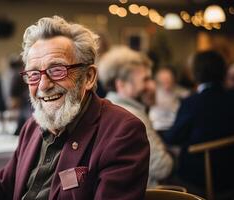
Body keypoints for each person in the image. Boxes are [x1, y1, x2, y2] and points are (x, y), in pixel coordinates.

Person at [0, 16, 150, 200]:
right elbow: (6, 184)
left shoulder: (122, 132)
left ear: (89, 77)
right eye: (34, 74)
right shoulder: (33, 126)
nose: (43, 85)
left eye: (57, 70)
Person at [98, 46, 173, 187]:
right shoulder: (133, 117)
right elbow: (163, 168)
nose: (151, 86)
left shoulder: (104, 108)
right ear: (121, 84)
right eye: (145, 80)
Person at [165, 50, 234, 195]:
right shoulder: (231, 97)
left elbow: (173, 137)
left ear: (195, 72)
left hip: (199, 176)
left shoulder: (192, 102)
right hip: (229, 172)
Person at [149, 67, 189, 133]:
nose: (166, 82)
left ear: (173, 79)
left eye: (168, 79)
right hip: (157, 127)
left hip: (176, 128)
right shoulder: (153, 93)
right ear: (158, 80)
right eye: (163, 80)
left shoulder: (183, 93)